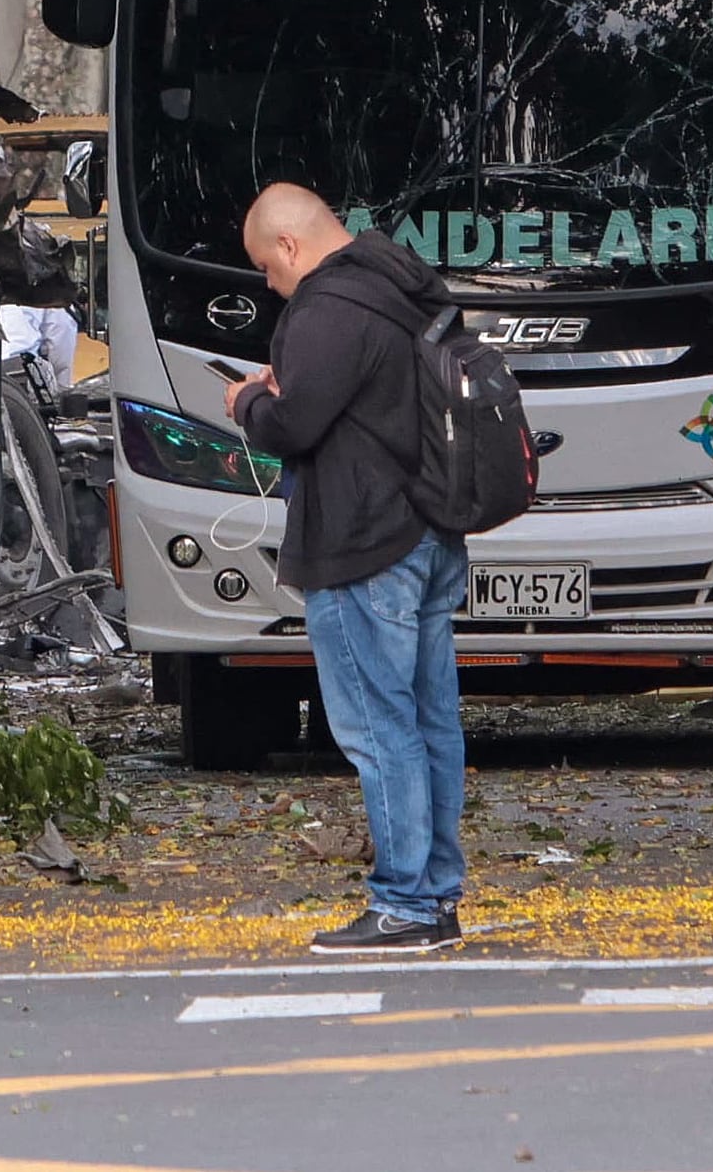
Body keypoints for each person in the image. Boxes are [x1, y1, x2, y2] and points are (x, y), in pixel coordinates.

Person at [227, 182, 465, 954]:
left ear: (291, 247)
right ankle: (435, 894)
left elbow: (296, 422)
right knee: (430, 721)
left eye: (268, 267)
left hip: (361, 541)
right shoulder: (403, 285)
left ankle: (402, 902)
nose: (269, 284)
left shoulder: (327, 307)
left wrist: (246, 404)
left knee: (376, 726)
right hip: (429, 529)